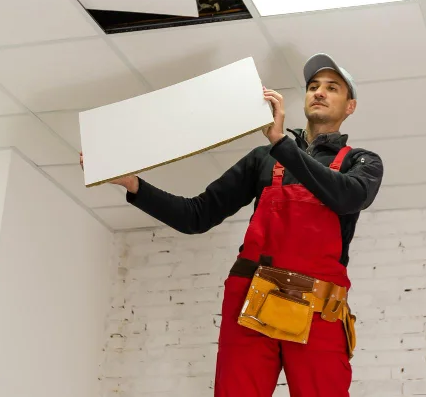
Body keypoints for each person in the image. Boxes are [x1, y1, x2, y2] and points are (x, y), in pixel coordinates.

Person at [81, 53, 383, 397]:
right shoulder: (263, 158)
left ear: (350, 106)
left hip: (319, 309)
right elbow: (197, 215)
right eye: (313, 86)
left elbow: (346, 197)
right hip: (252, 297)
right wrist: (134, 184)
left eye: (332, 88)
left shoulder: (362, 162)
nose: (319, 92)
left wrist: (282, 144)